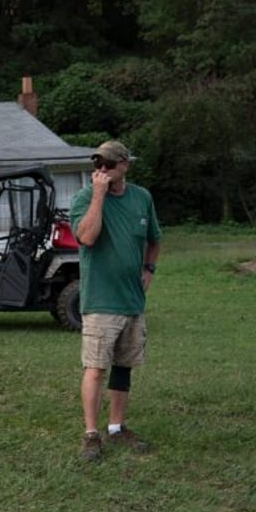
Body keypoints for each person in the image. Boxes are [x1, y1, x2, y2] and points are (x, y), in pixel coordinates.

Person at [68, 140, 161, 461]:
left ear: (125, 165)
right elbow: (87, 237)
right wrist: (98, 195)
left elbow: (154, 240)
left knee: (124, 367)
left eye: (108, 164)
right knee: (95, 368)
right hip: (100, 300)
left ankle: (117, 428)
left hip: (132, 301)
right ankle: (91, 435)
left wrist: (149, 267)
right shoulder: (84, 198)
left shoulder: (141, 198)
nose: (102, 170)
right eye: (98, 165)